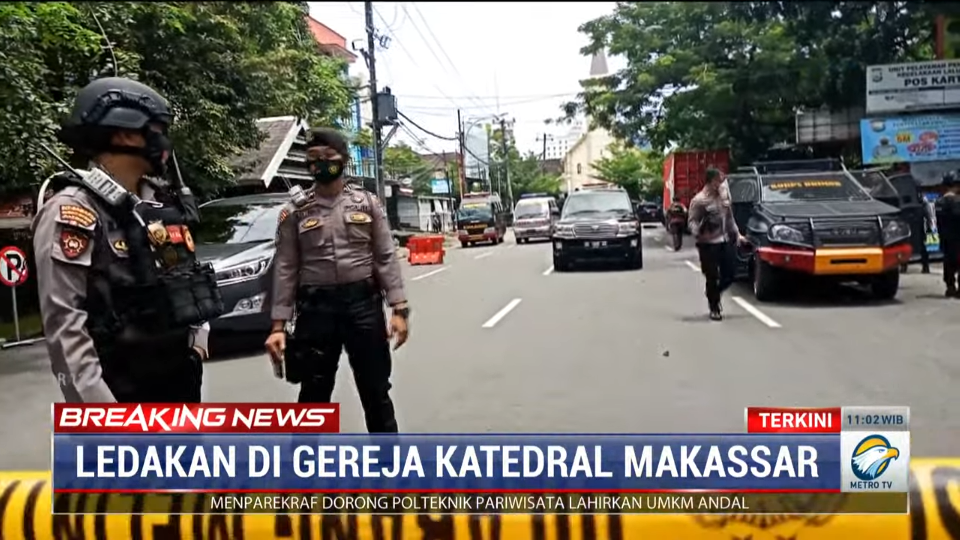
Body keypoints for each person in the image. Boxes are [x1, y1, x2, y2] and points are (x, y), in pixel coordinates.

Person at [33, 77, 223, 403]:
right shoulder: (73, 211)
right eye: (157, 130)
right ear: (124, 133)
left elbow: (183, 276)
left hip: (179, 384)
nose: (164, 141)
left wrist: (197, 344)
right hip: (120, 396)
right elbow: (66, 328)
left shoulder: (156, 203)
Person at [265, 128, 409, 433]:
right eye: (313, 159)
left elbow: (385, 256)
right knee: (313, 395)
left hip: (363, 307)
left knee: (375, 389)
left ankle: (389, 466)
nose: (320, 164)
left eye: (328, 158)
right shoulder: (295, 212)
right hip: (316, 311)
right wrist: (278, 326)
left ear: (343, 160)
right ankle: (305, 469)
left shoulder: (366, 204)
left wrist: (399, 309)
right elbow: (286, 268)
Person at [688, 168, 747, 320]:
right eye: (718, 181)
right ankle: (714, 307)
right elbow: (692, 222)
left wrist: (738, 235)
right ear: (711, 181)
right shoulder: (699, 200)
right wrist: (699, 232)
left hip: (725, 240)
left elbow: (729, 218)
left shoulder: (724, 196)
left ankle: (714, 292)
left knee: (731, 273)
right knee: (712, 276)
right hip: (708, 244)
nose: (721, 184)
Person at [936, 174, 960, 297]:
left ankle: (950, 287)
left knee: (948, 263)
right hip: (957, 238)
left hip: (945, 238)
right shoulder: (957, 201)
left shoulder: (939, 202)